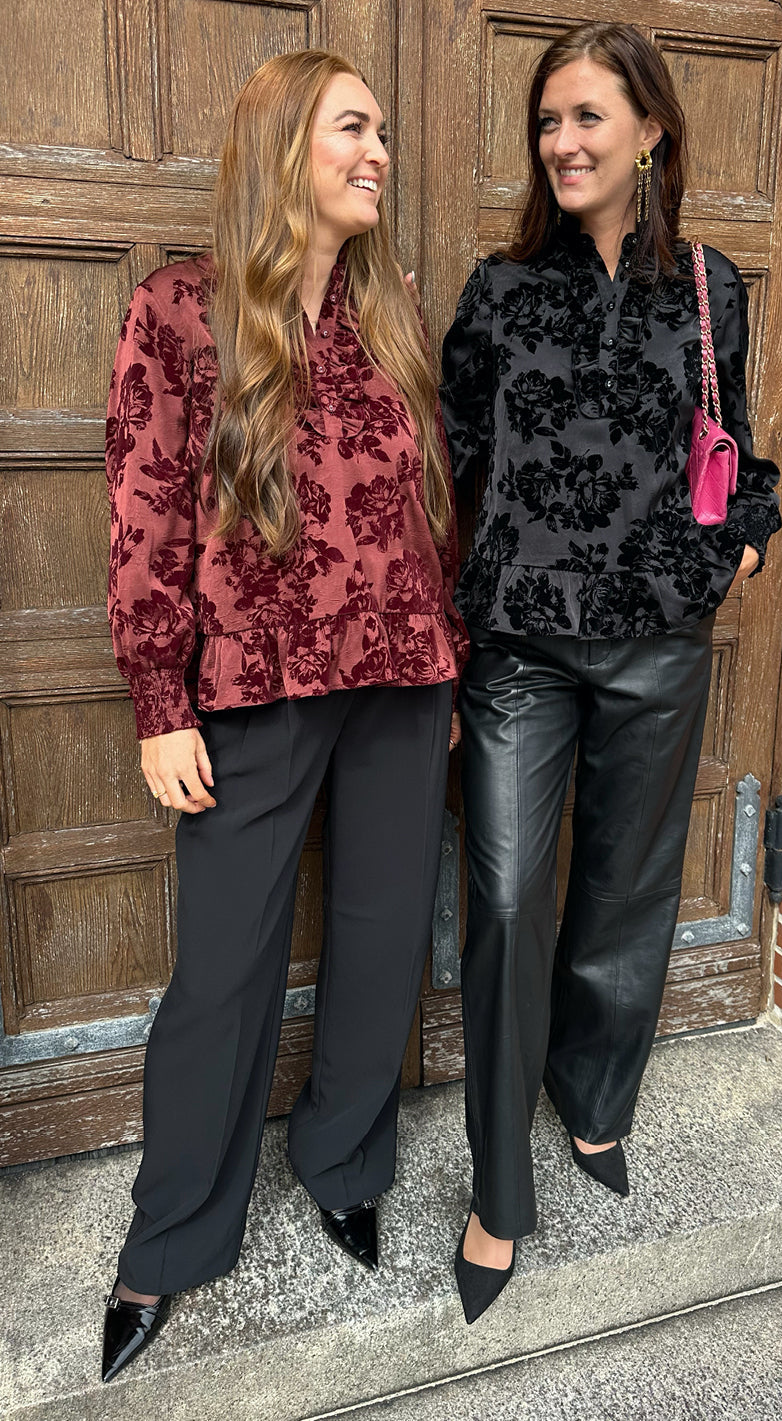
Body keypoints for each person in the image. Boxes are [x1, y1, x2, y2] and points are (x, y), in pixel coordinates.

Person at [102, 49, 467, 1380]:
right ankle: (172, 1234)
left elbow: (430, 502)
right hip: (249, 687)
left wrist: (446, 656)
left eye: (384, 132)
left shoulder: (391, 309)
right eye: (354, 128)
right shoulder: (181, 309)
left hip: (403, 676)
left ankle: (345, 1160)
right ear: (283, 148)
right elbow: (145, 508)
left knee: (382, 937)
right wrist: (160, 699)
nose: (380, 153)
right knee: (222, 971)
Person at [440, 21, 780, 1323]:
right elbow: (448, 464)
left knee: (627, 895)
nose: (564, 142)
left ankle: (593, 1095)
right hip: (522, 645)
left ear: (651, 133)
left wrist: (734, 546)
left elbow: (734, 446)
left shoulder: (709, 286)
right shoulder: (498, 290)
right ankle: (498, 1189)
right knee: (509, 900)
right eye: (549, 120)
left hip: (657, 642)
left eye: (588, 116)